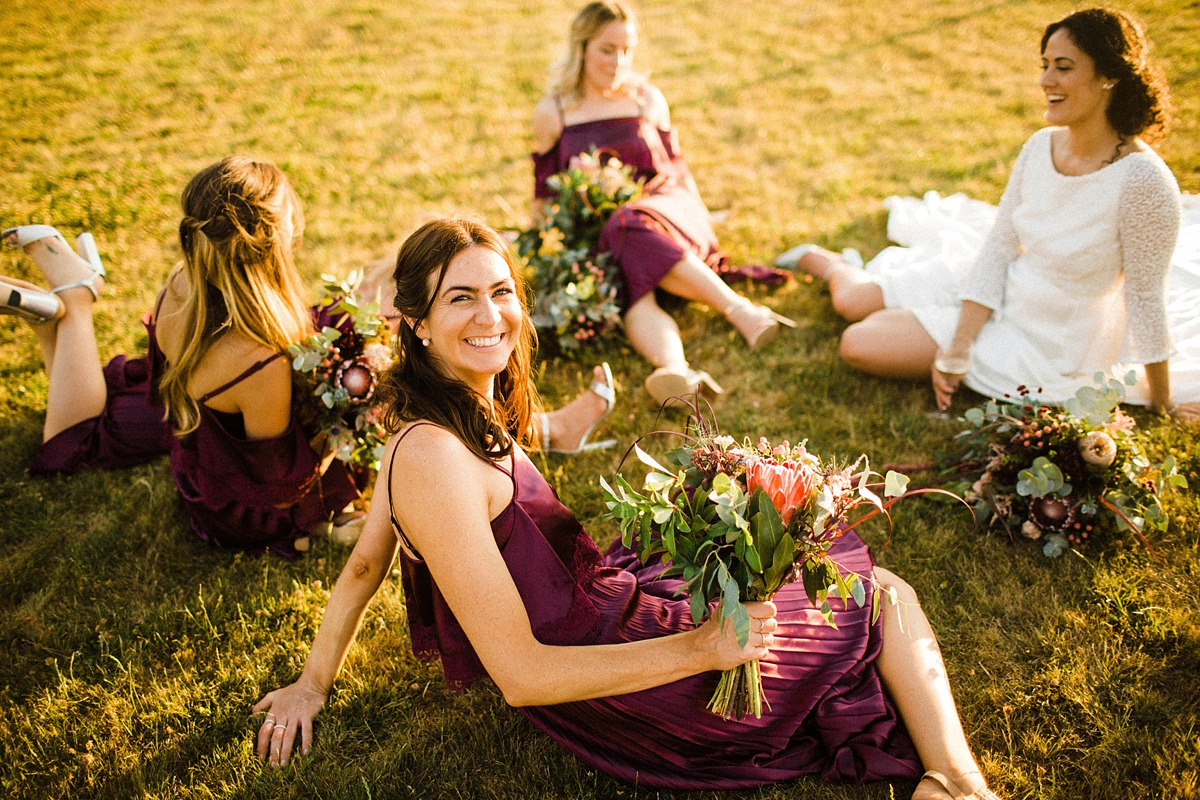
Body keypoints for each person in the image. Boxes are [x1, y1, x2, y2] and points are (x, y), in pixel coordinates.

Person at [254, 217, 1003, 800]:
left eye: (502, 290)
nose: (493, 316)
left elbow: (362, 564)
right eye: (461, 297)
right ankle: (958, 780)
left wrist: (314, 682)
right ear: (415, 322)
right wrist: (702, 650)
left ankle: (950, 779)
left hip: (613, 612)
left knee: (823, 582)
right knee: (883, 597)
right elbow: (520, 675)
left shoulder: (440, 418)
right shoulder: (429, 459)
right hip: (623, 685)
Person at [778, 8, 1200, 421]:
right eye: (1045, 65)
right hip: (995, 280)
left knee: (860, 341)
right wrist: (959, 343)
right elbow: (999, 246)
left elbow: (1145, 300)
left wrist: (1162, 404)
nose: (1045, 80)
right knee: (854, 300)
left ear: (1109, 76)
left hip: (1044, 340)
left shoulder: (1144, 182)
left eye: (1063, 67)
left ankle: (869, 280)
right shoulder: (1041, 146)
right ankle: (832, 263)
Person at [1, 156, 363, 556]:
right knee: (75, 438)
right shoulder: (260, 362)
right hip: (223, 495)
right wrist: (340, 434)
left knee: (90, 412)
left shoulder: (181, 281)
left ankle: (51, 319)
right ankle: (76, 296)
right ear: (274, 242)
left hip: (186, 420)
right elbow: (275, 486)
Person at [532, 1, 795, 408]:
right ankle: (676, 369)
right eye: (607, 49)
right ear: (581, 47)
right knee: (623, 272)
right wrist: (539, 249)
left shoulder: (645, 99)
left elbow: (678, 171)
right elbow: (544, 196)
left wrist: (701, 217)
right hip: (610, 233)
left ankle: (740, 310)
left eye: (627, 49)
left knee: (623, 228)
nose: (618, 61)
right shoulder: (554, 112)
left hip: (669, 210)